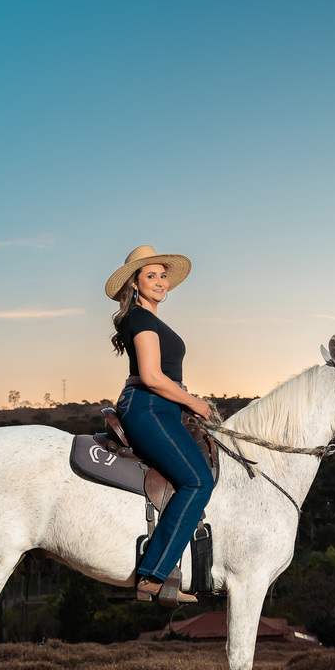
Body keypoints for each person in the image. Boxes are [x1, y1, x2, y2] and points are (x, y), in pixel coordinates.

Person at [107, 245, 215, 606]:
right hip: (148, 406)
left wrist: (183, 401)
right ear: (134, 283)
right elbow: (152, 376)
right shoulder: (140, 318)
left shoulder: (151, 319)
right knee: (198, 481)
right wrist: (194, 402)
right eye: (150, 275)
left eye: (163, 276)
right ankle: (153, 576)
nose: (159, 282)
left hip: (164, 407)